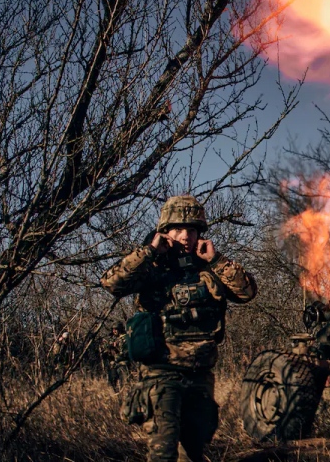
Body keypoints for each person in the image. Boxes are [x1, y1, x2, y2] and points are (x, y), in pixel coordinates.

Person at [101, 195, 257, 462]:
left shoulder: (209, 269)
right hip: (162, 375)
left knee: (193, 452)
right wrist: (149, 251)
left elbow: (247, 292)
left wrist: (217, 259)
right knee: (163, 452)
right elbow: (112, 282)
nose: (186, 236)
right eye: (178, 230)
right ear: (165, 232)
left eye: (192, 230)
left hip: (200, 375)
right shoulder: (151, 268)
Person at [103, 322, 128, 391]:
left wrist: (117, 355)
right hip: (114, 363)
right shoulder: (113, 339)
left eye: (116, 329)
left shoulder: (125, 338)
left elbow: (126, 352)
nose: (114, 331)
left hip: (123, 362)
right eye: (113, 329)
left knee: (124, 382)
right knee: (112, 381)